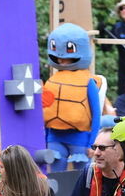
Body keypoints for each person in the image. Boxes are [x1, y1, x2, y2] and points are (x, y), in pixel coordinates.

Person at [42, 23, 103, 172]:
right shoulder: (52, 80)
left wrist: (92, 144)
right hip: (55, 137)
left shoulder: (88, 81)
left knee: (80, 178)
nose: (61, 59)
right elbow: (45, 110)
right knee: (56, 178)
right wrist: (44, 139)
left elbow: (96, 115)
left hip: (80, 138)